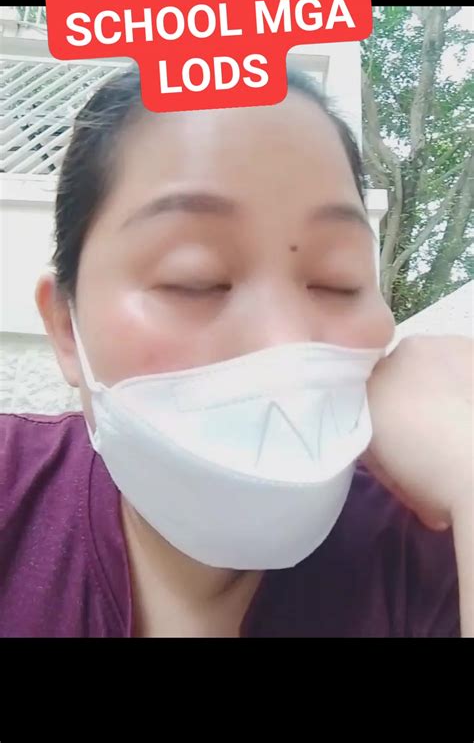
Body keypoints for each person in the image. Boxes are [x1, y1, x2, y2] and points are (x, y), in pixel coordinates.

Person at [0, 67, 472, 638]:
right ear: (65, 328)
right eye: (194, 281)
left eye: (337, 280)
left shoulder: (432, 554)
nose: (283, 336)